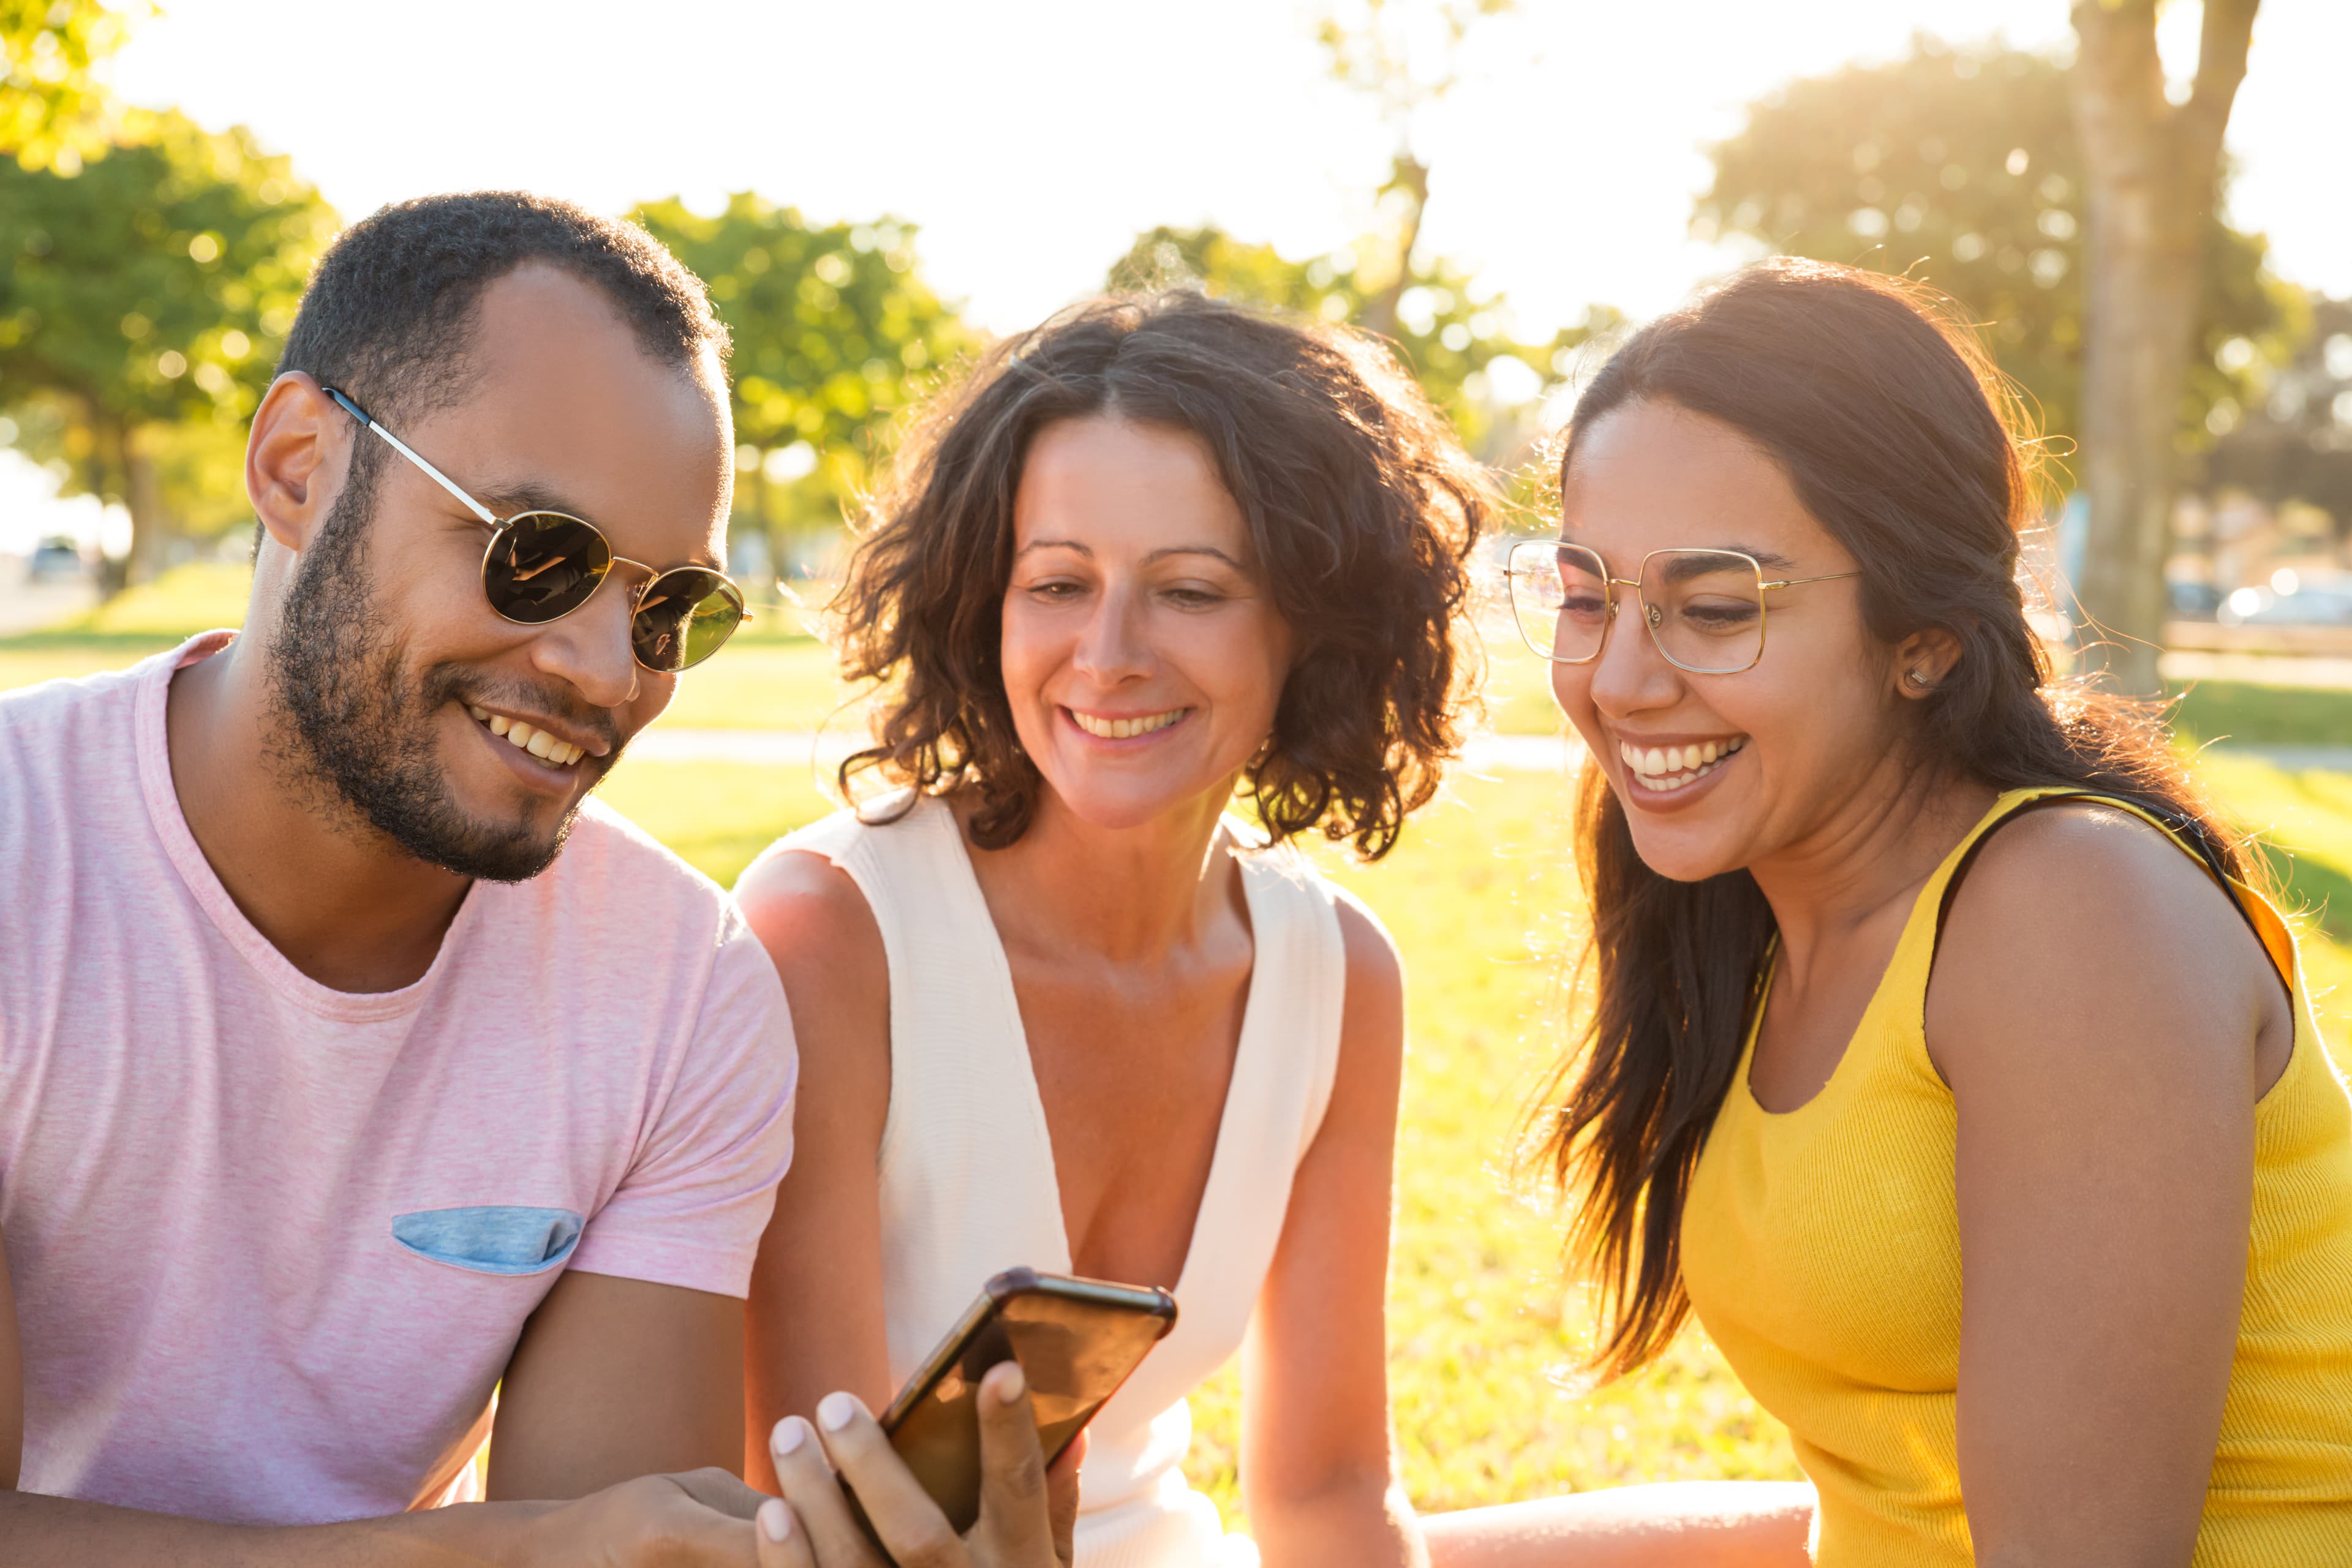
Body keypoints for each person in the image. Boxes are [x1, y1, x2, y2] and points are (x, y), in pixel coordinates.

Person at [0, 190, 1058, 1568]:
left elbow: (609, 1544)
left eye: (674, 607)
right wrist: (481, 1550)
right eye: (536, 556)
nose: (607, 669)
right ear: (301, 465)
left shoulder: (680, 989)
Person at [1469, 258, 2352, 1566]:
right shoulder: (1754, 913)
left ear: (1923, 634)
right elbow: (1887, 1510)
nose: (1620, 676)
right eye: (1588, 594)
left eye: (1716, 609)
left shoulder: (2072, 912)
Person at [735, 290, 1488, 1567]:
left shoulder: (1337, 973)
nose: (1110, 652)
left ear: (1313, 623)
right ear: (987, 606)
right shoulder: (831, 936)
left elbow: (1330, 1492)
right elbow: (826, 1518)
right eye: (1059, 583)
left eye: (1191, 589)